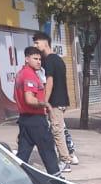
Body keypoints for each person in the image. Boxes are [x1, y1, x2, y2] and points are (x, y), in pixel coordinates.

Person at [32, 32, 77, 170]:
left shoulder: (50, 60)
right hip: (61, 100)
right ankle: (69, 155)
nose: (35, 45)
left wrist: (45, 101)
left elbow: (50, 82)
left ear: (45, 42)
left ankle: (65, 161)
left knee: (57, 131)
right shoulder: (57, 59)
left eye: (37, 42)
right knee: (59, 129)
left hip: (55, 102)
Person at [14, 46, 60, 177]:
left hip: (24, 119)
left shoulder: (20, 74)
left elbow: (17, 97)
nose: (39, 61)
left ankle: (12, 178)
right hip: (35, 120)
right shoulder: (29, 74)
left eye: (40, 59)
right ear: (27, 59)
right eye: (35, 59)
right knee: (48, 150)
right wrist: (45, 104)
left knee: (22, 154)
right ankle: (57, 179)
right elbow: (29, 99)